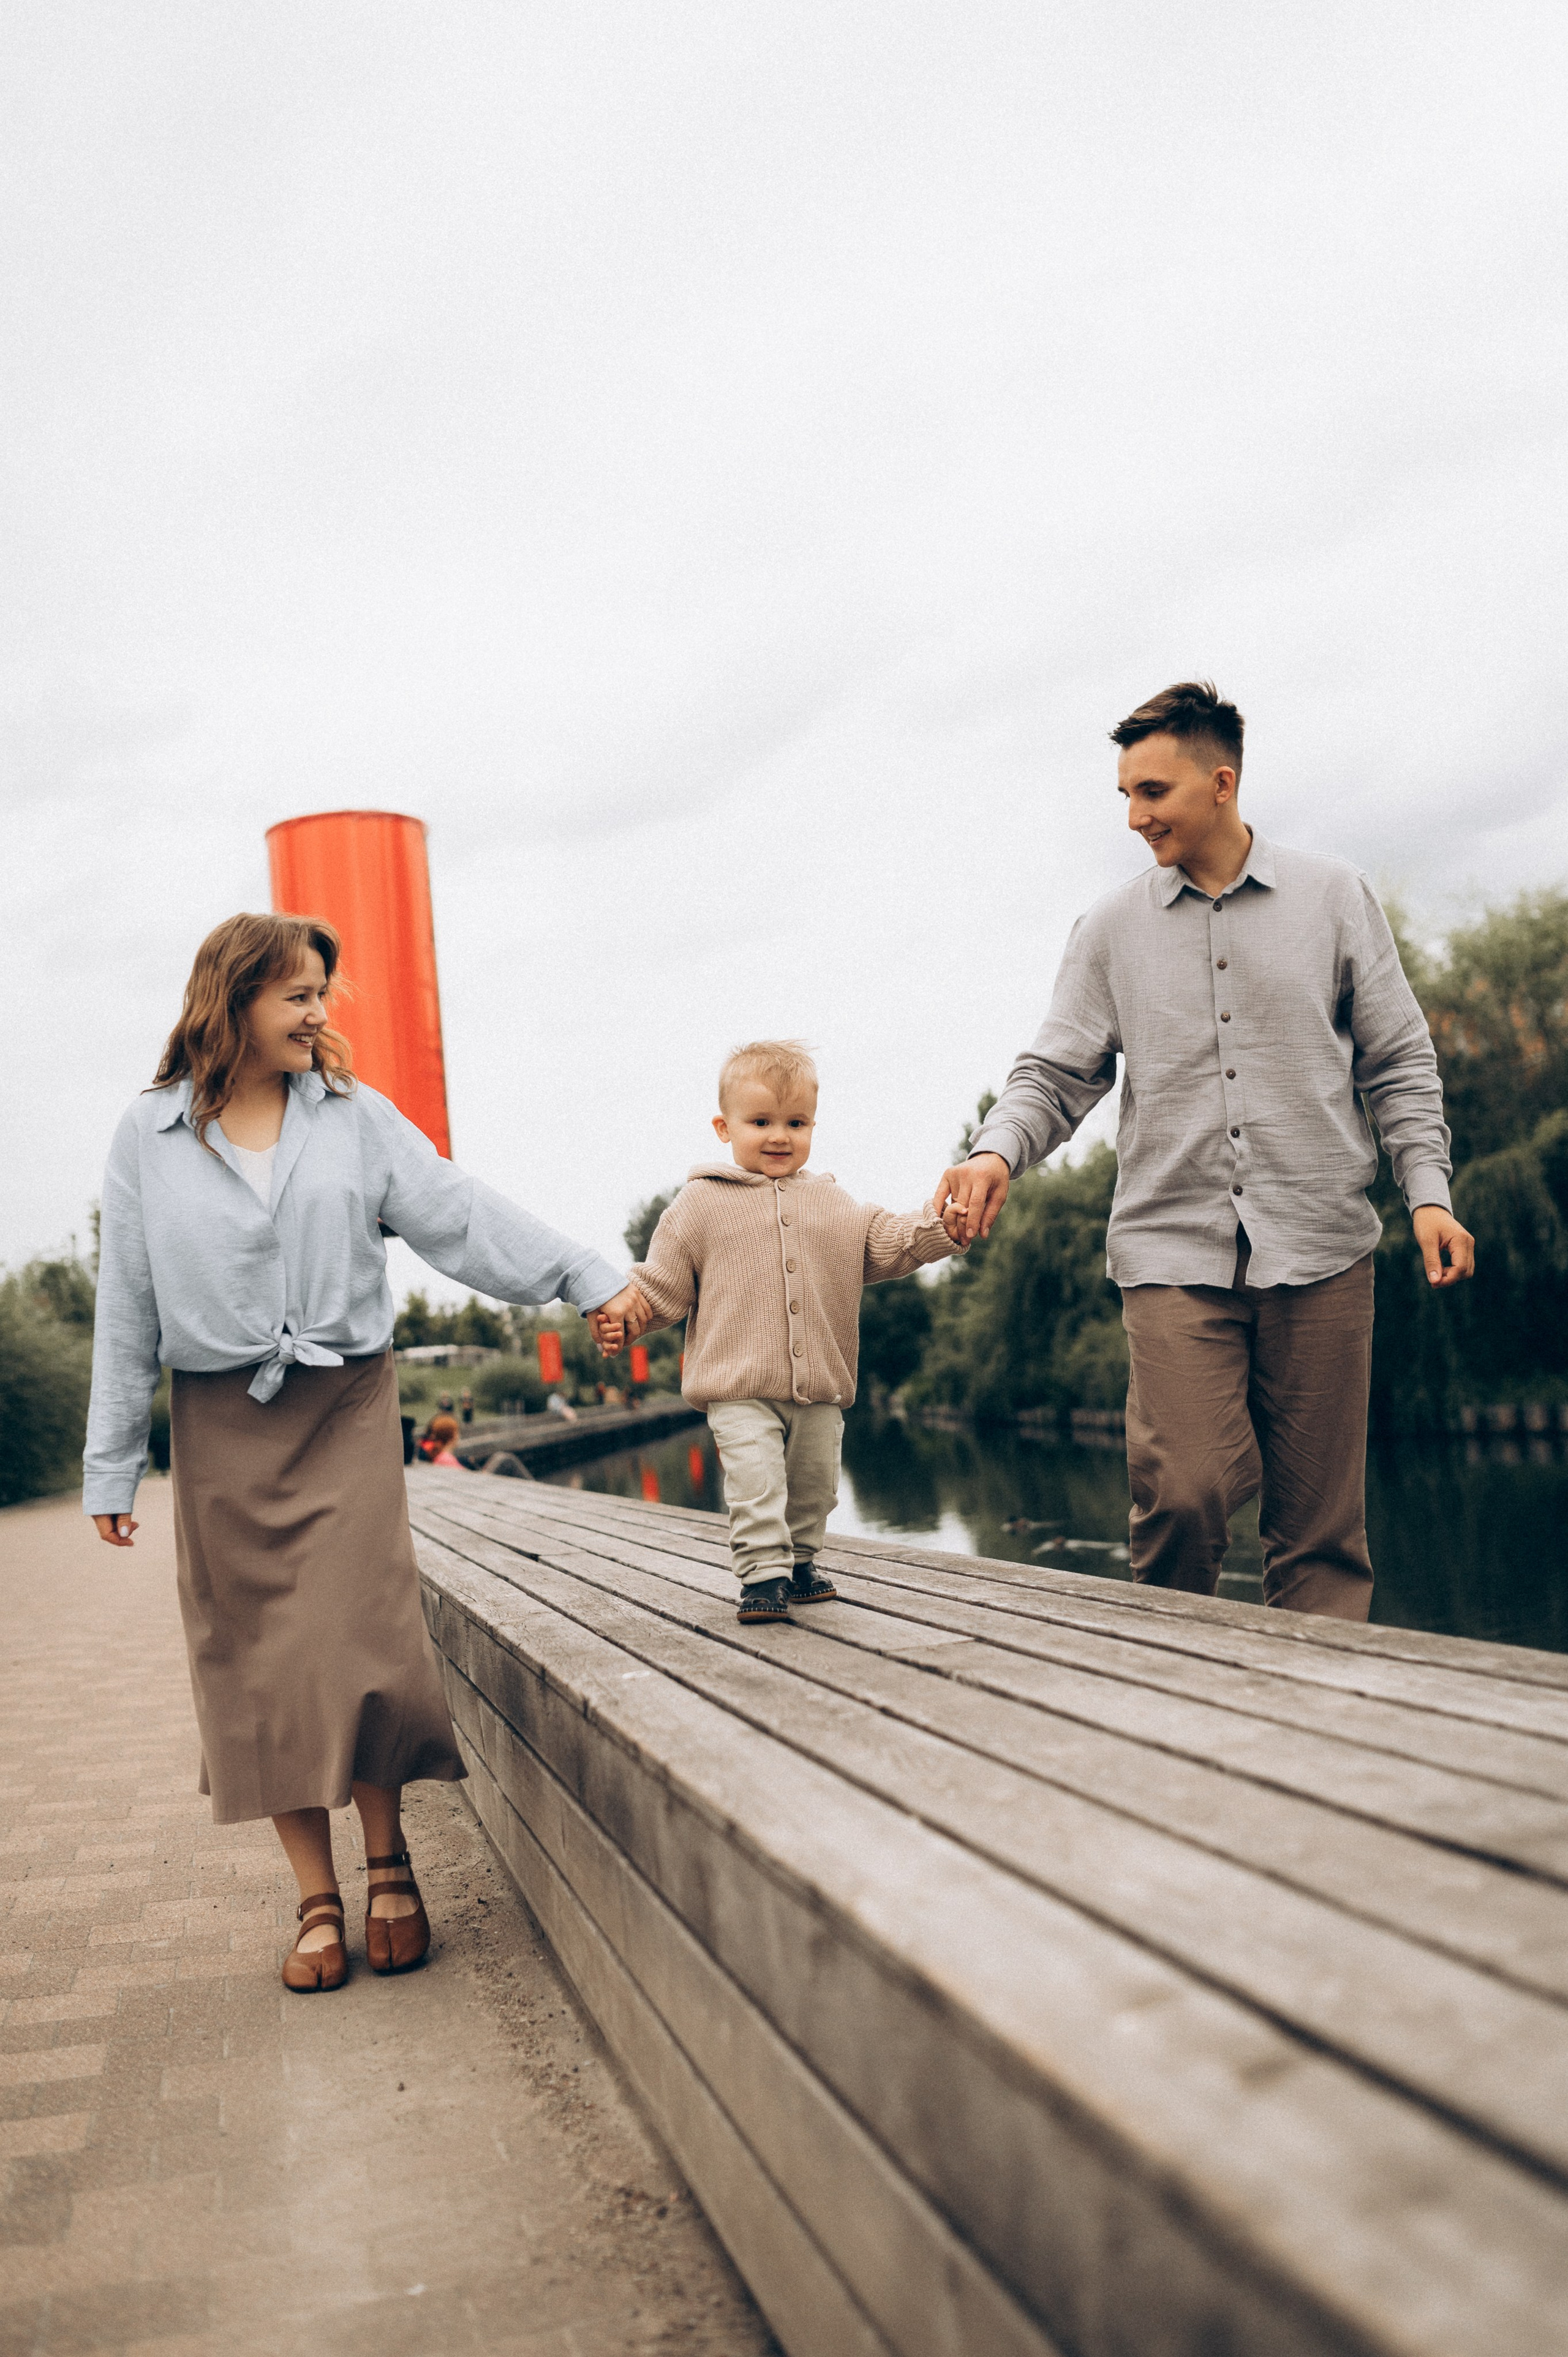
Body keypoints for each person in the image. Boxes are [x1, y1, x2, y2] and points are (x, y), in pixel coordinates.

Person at [85, 912, 646, 1993]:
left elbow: (460, 1215)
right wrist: (112, 1463)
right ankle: (316, 1894)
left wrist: (584, 1273)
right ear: (236, 996)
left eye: (321, 995)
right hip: (222, 1425)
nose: (318, 1014)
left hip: (345, 1405)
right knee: (259, 1663)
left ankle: (389, 1858)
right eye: (298, 994)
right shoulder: (145, 1133)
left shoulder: (352, 1117)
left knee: (360, 1639)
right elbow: (127, 1305)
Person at [937, 682, 1474, 1621]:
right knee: (1182, 1496)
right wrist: (997, 1155)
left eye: (1154, 793)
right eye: (1126, 797)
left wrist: (1427, 1191)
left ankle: (1313, 1727)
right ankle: (1178, 1715)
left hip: (1323, 1246)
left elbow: (1399, 1064)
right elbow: (1054, 1075)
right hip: (1171, 1251)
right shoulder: (1109, 929)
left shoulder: (1336, 899)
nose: (1136, 817)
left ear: (1221, 783)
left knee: (1320, 1538)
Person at [592, 1040, 962, 1623]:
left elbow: (888, 1240)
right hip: (738, 1386)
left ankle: (801, 1563)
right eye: (760, 1121)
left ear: (813, 1125)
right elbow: (662, 1283)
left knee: (815, 1484)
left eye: (796, 1123)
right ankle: (762, 1576)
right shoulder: (698, 1205)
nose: (779, 1136)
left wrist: (941, 1226)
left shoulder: (832, 1201)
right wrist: (623, 1313)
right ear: (724, 1127)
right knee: (756, 1483)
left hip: (820, 1385)